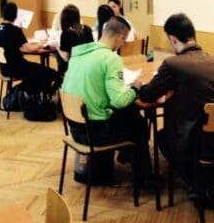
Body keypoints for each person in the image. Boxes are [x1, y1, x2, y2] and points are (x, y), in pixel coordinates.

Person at [138, 13, 214, 205]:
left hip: (199, 144)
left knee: (163, 136)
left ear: (173, 39)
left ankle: (198, 183)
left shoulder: (172, 65)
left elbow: (147, 95)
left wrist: (137, 85)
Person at [61, 17, 152, 178]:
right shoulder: (111, 59)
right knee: (137, 123)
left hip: (75, 128)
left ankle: (127, 155)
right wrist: (135, 88)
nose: (123, 45)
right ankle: (144, 177)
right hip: (94, 133)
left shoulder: (79, 54)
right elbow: (119, 101)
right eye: (124, 41)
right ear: (119, 37)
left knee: (130, 114)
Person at [0, 3, 60, 96]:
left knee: (39, 72)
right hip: (17, 67)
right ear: (16, 16)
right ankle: (29, 94)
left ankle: (32, 95)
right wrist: (40, 44)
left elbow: (12, 45)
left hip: (4, 68)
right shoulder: (14, 30)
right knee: (49, 73)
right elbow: (28, 49)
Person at [57, 4, 93, 75]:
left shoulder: (66, 33)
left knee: (59, 59)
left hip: (72, 69)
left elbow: (66, 58)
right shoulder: (87, 29)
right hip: (87, 66)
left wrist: (57, 47)